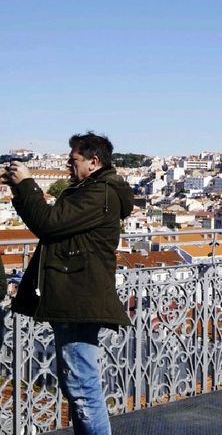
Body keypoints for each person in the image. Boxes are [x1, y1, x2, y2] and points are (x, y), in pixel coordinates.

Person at [2, 133, 133, 435]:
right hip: (76, 294)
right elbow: (48, 224)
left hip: (79, 296)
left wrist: (27, 183)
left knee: (82, 386)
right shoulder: (94, 190)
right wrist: (19, 189)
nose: (67, 164)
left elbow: (49, 223)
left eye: (73, 159)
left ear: (93, 161)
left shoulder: (99, 193)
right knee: (77, 384)